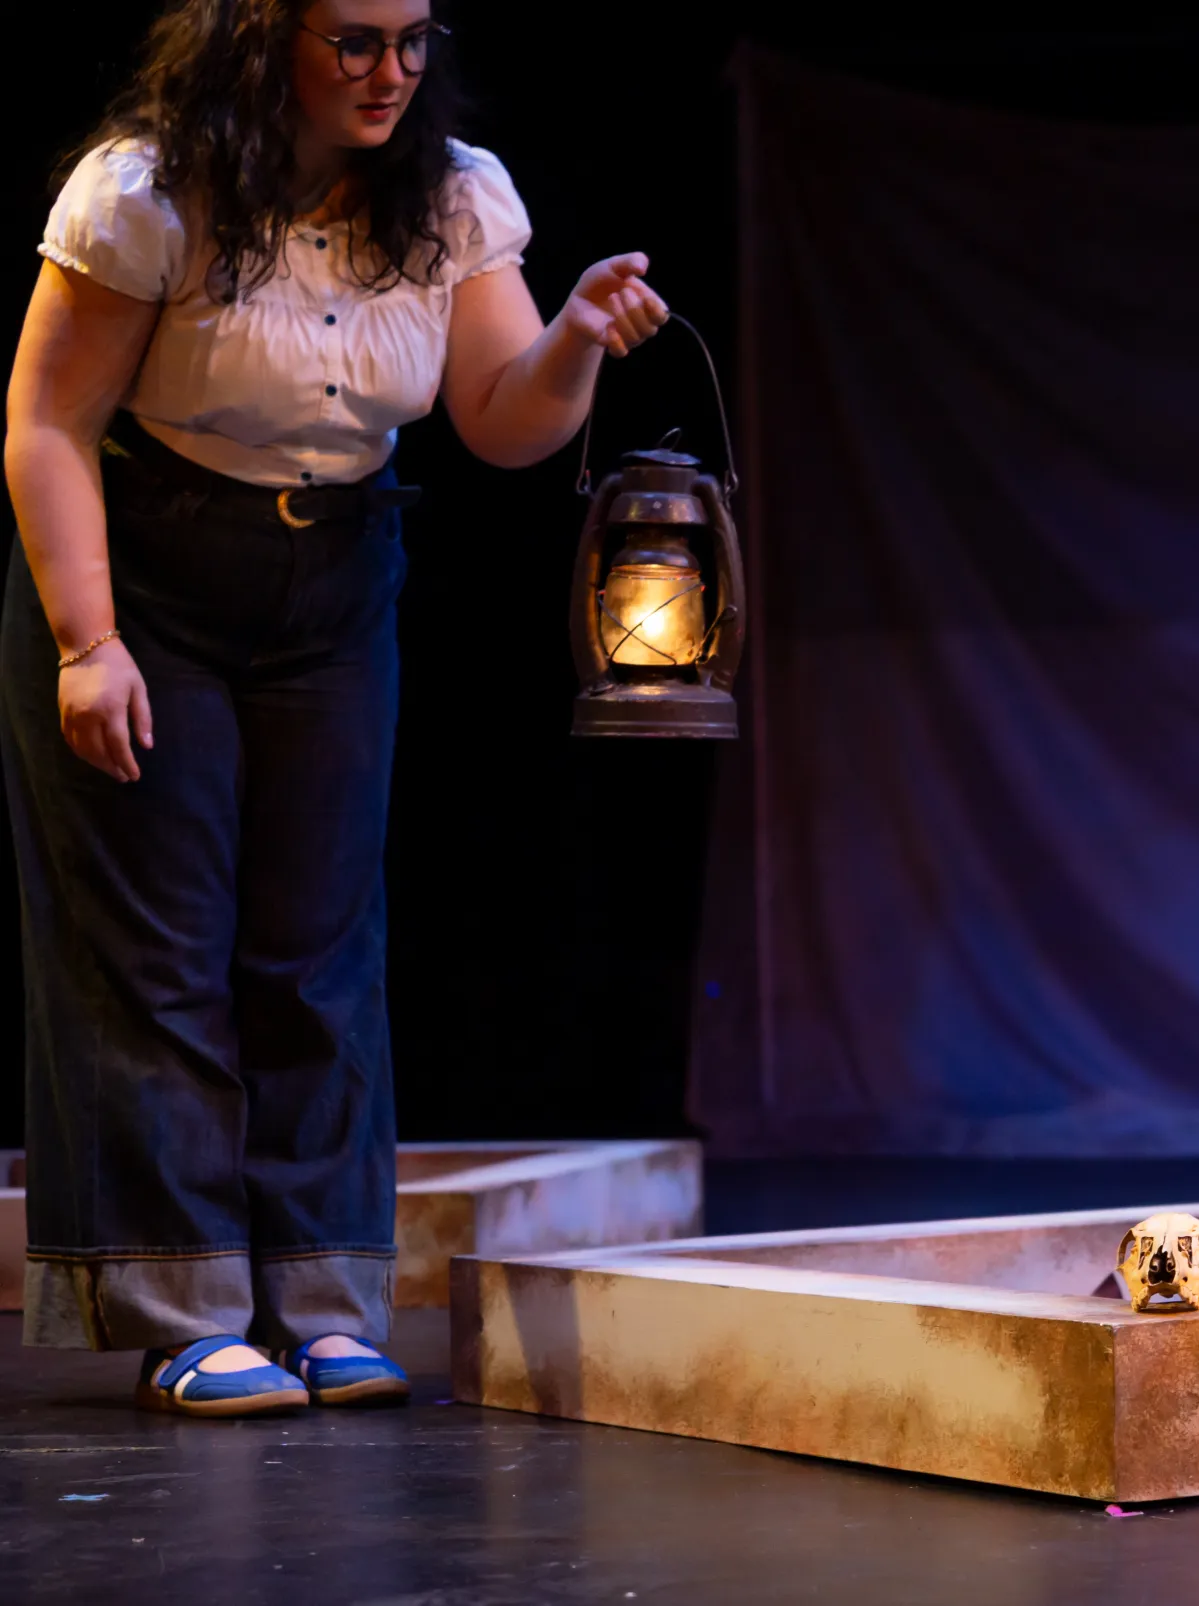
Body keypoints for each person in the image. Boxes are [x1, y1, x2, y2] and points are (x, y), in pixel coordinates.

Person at [1, 0, 669, 1414]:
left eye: (413, 40)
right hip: (152, 571)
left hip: (338, 576)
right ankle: (185, 1302)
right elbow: (47, 420)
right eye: (353, 41)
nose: (390, 73)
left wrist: (578, 339)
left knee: (317, 946)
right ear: (266, 37)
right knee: (163, 939)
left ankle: (319, 1295)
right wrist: (86, 640)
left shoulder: (450, 193)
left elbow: (499, 416)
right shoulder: (152, 188)